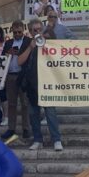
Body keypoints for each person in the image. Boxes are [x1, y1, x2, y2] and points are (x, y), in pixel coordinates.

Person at [18, 19, 64, 151]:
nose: (37, 32)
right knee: (33, 114)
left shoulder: (49, 41)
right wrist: (30, 47)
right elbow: (20, 61)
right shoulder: (26, 42)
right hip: (32, 85)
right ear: (30, 31)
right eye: (34, 30)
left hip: (47, 84)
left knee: (50, 113)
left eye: (39, 29)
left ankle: (57, 140)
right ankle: (38, 140)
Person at [2, 20, 31, 142]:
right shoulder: (8, 43)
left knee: (25, 104)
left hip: (23, 75)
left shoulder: (28, 42)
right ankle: (11, 128)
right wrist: (8, 53)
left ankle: (26, 128)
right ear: (12, 31)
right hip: (11, 75)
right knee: (12, 104)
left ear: (23, 30)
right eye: (15, 32)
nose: (18, 34)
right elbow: (2, 59)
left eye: (19, 31)